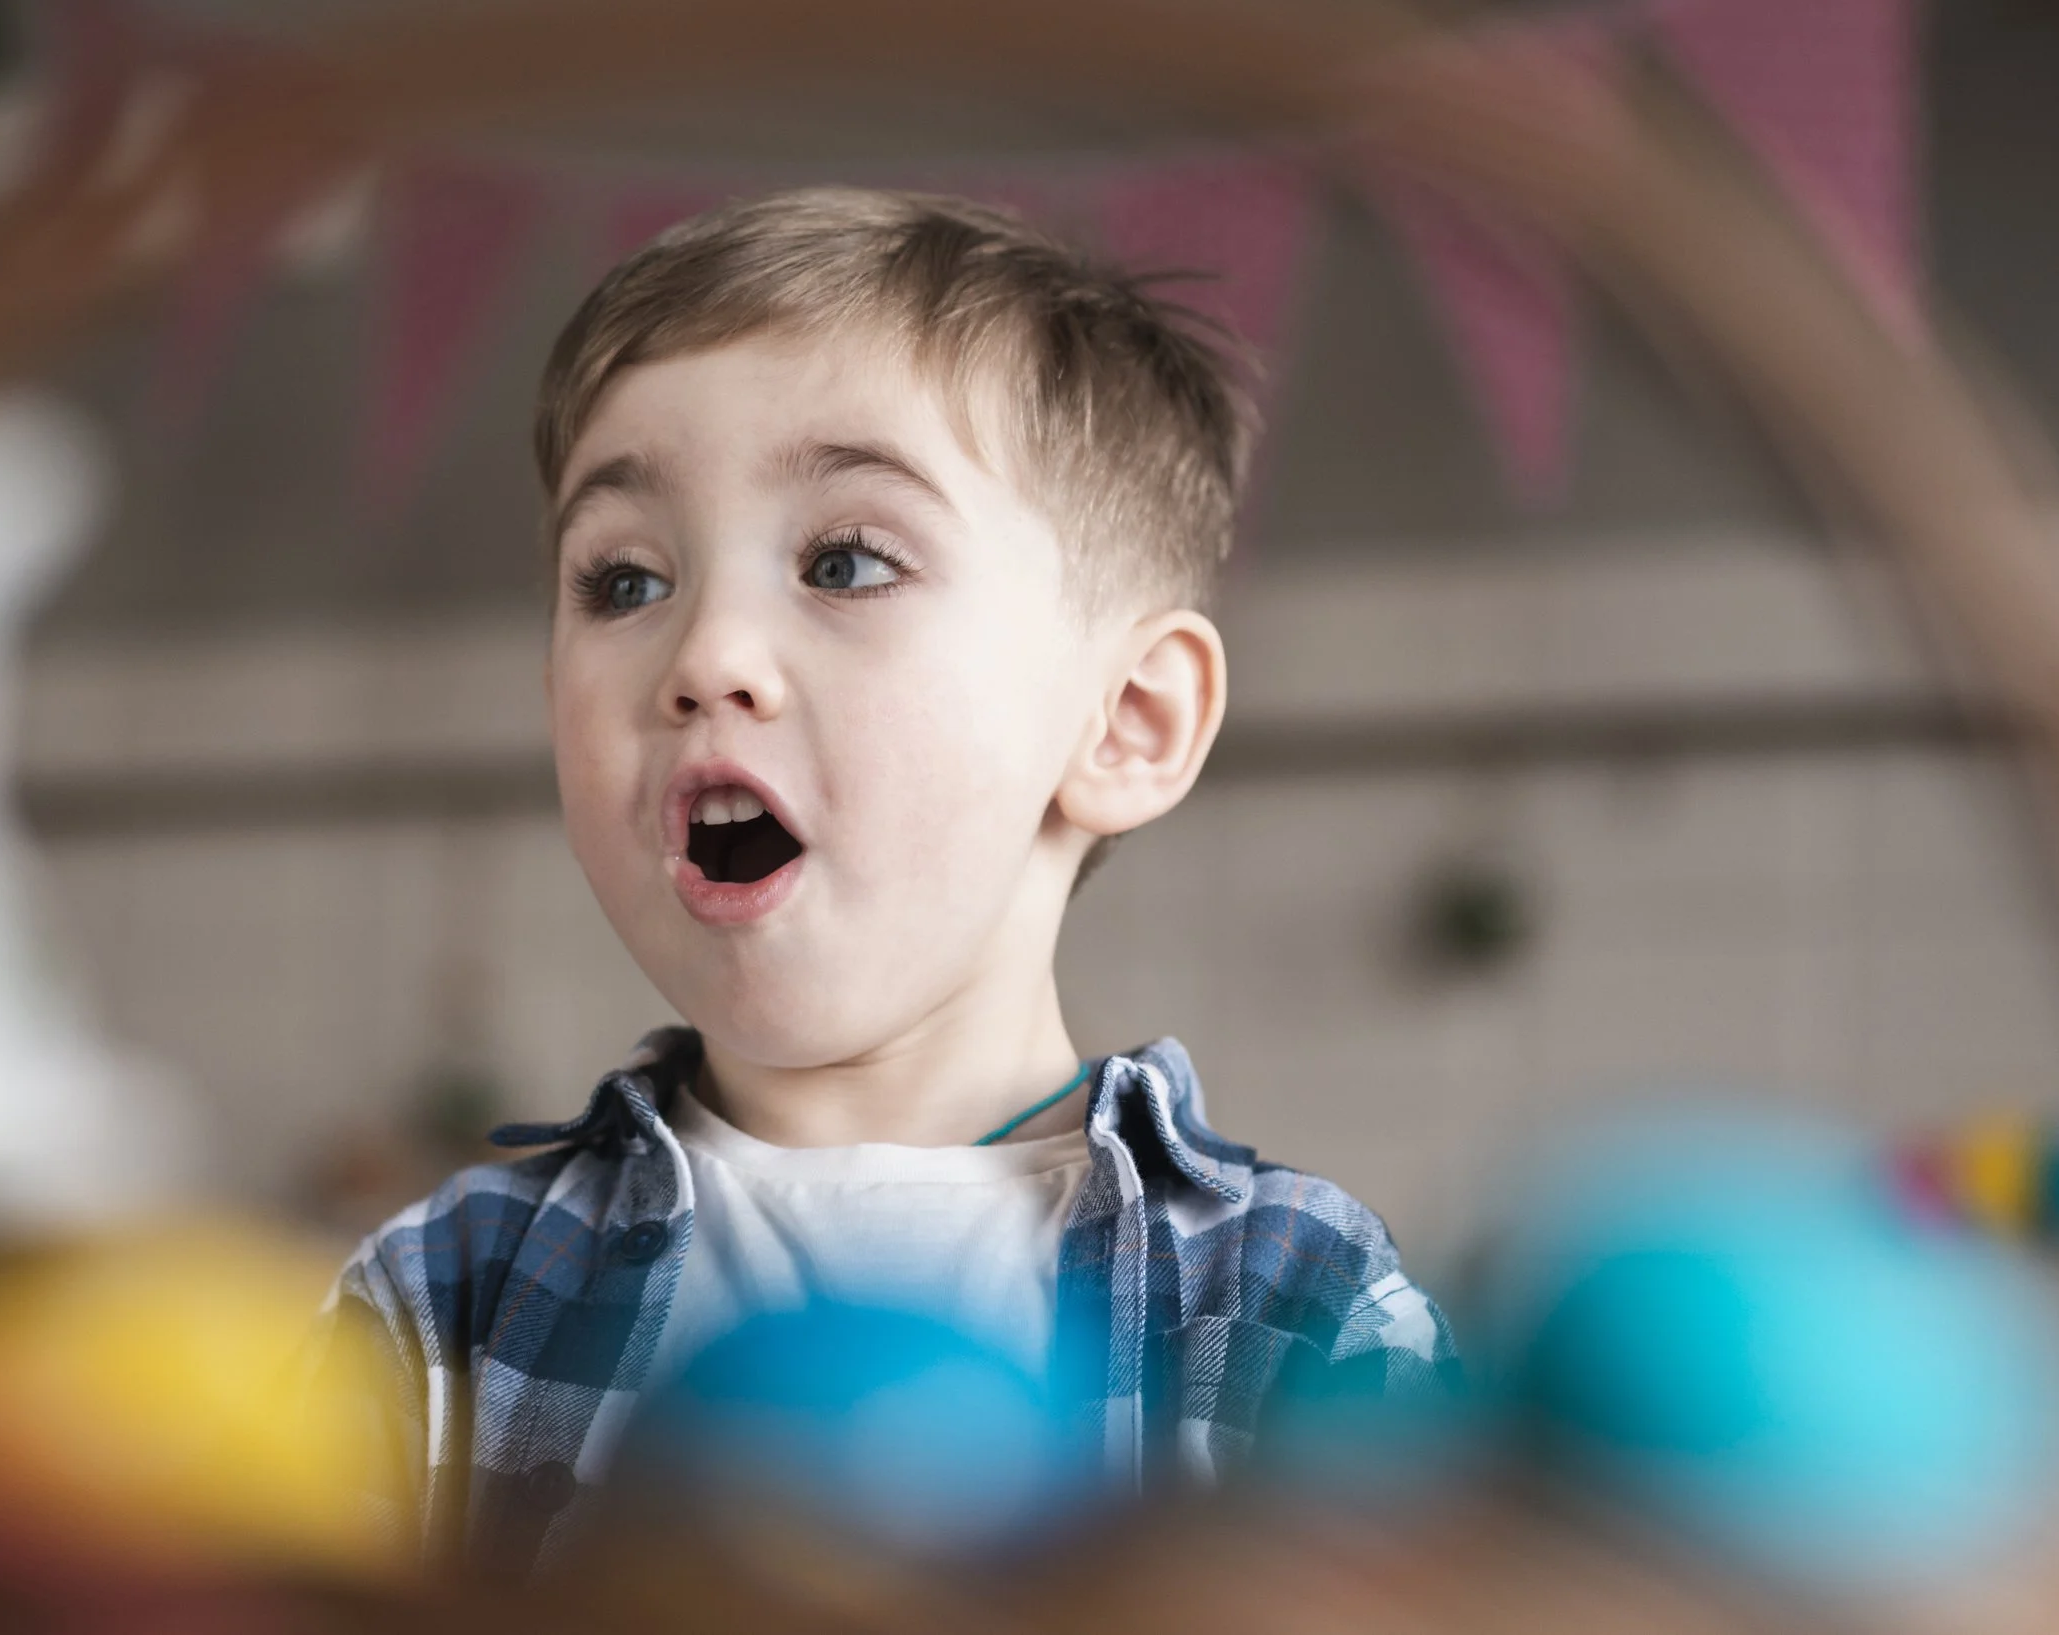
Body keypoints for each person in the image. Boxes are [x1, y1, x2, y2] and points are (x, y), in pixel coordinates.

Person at [324, 187, 1460, 1570]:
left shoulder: (1294, 1307)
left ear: (1127, 721)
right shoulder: (438, 1304)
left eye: (845, 561)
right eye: (624, 580)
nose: (704, 655)